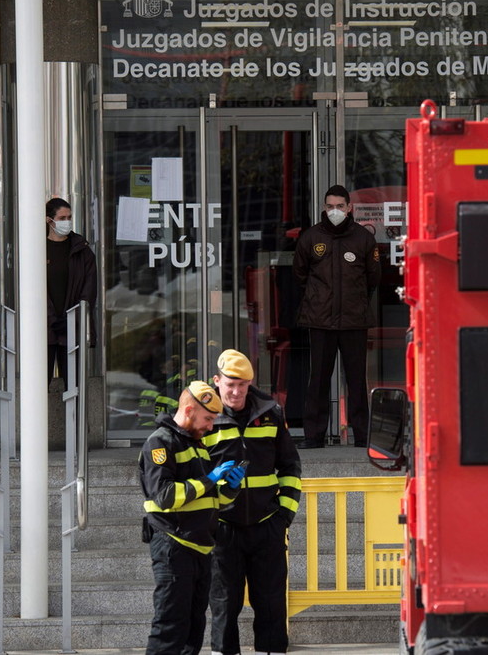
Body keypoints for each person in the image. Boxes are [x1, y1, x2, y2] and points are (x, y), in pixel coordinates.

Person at [204, 349, 302, 655]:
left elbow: (290, 467)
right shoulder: (207, 416)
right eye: (230, 384)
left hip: (266, 526)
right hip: (223, 527)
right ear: (217, 381)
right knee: (224, 606)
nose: (235, 391)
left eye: (242, 385)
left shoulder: (272, 413)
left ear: (250, 383)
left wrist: (283, 515)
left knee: (272, 605)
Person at [139, 380, 247, 655]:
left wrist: (230, 488)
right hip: (174, 546)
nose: (211, 426)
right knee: (169, 630)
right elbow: (164, 496)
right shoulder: (160, 443)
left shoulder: (198, 445)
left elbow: (213, 501)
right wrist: (210, 478)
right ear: (188, 411)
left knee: (192, 631)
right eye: (208, 418)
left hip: (199, 548)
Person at [292, 184, 381, 448]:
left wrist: (355, 300)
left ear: (349, 208)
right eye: (330, 206)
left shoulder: (363, 239)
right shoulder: (310, 238)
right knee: (318, 379)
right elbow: (299, 275)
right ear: (324, 207)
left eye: (340, 206)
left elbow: (373, 277)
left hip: (354, 320)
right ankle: (313, 436)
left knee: (356, 379)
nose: (335, 211)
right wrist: (318, 299)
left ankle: (362, 436)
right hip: (320, 320)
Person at [46, 196, 98, 383]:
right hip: (45, 330)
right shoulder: (37, 248)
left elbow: (89, 291)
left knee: (74, 384)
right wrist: (51, 319)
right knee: (39, 385)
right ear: (49, 220)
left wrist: (72, 318)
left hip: (72, 328)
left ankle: (75, 414)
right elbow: (34, 292)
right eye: (62, 218)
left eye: (69, 217)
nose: (67, 222)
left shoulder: (81, 250)